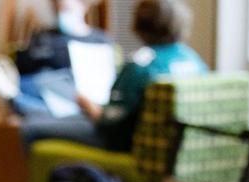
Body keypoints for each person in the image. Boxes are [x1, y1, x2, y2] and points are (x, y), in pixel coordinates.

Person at [20, 0, 207, 151]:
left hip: (121, 141)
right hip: (177, 147)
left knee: (31, 127)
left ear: (138, 25)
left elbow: (108, 119)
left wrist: (85, 103)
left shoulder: (141, 66)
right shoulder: (195, 61)